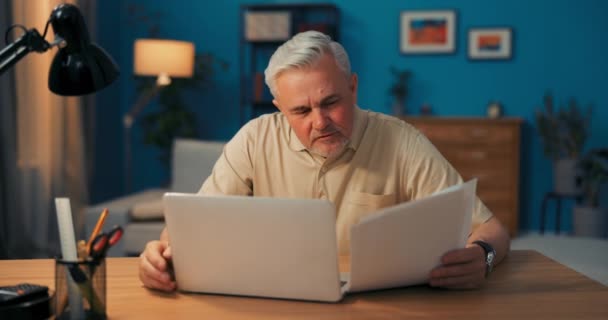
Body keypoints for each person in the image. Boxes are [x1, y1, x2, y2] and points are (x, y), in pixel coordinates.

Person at [139, 31, 510, 292]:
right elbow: (193, 227)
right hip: (276, 299)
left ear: (353, 87)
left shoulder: (402, 141)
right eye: (300, 110)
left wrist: (484, 258)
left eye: (330, 102)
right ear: (280, 109)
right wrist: (159, 255)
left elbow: (492, 230)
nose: (319, 122)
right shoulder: (254, 139)